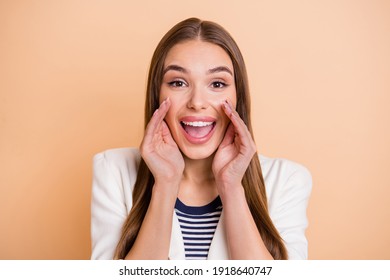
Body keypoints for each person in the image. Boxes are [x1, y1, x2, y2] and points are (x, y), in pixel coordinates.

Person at [91, 17, 312, 260]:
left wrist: (231, 187)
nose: (197, 102)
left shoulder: (288, 180)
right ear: (157, 95)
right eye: (178, 82)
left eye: (217, 83)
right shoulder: (112, 170)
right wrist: (165, 184)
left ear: (238, 98)